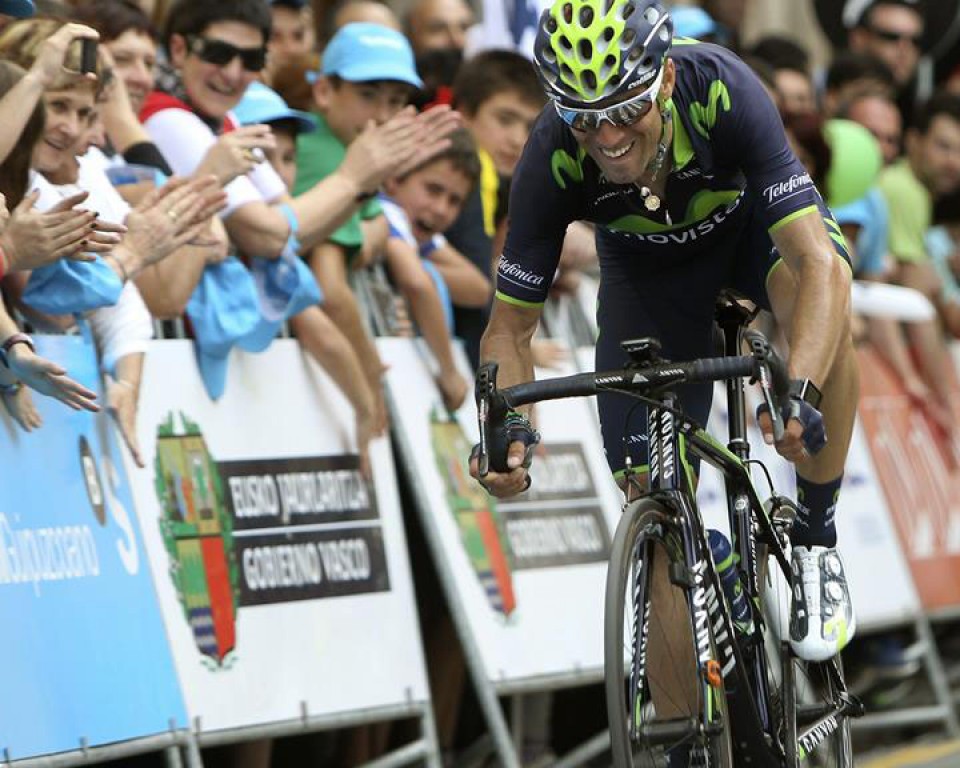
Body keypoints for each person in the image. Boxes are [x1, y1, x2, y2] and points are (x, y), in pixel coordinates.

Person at [470, 0, 859, 679]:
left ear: (666, 81)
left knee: (824, 302)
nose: (607, 135)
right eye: (584, 118)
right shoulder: (551, 155)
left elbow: (816, 264)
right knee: (653, 524)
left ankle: (815, 537)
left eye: (625, 108)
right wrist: (506, 427)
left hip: (749, 242)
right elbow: (510, 327)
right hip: (648, 283)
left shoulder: (722, 90)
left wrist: (801, 392)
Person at [295, 21, 467, 415]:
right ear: (324, 91)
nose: (381, 115)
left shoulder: (344, 148)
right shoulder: (324, 155)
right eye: (367, 95)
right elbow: (331, 288)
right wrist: (370, 372)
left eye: (395, 101)